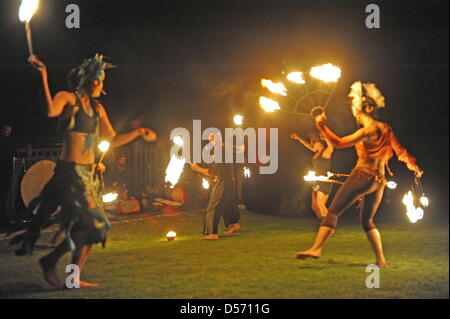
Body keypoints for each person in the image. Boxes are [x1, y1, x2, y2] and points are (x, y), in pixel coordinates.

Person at [10, 54, 157, 288]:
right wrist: (44, 77)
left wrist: (138, 134)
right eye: (101, 80)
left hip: (86, 176)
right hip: (69, 174)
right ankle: (52, 262)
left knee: (96, 227)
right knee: (91, 223)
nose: (103, 85)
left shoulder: (98, 109)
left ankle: (69, 275)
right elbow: (50, 111)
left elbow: (113, 137)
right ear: (92, 81)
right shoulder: (69, 99)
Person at [296, 81, 423, 268]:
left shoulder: (368, 130)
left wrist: (322, 126)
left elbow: (339, 143)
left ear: (369, 108)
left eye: (358, 108)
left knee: (333, 212)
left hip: (363, 176)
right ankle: (381, 260)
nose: (355, 111)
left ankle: (316, 249)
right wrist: (414, 166)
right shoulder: (386, 129)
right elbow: (401, 151)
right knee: (367, 220)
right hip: (379, 181)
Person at [189, 133, 240, 240]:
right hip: (229, 181)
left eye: (212, 140)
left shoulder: (220, 152)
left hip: (223, 182)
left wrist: (197, 168)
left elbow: (212, 172)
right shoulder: (223, 150)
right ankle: (235, 224)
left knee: (213, 206)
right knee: (228, 204)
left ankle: (212, 233)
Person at [290, 132, 334, 220]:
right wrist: (298, 138)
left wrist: (326, 138)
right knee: (314, 206)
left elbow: (331, 147)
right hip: (316, 181)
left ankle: (328, 223)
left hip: (324, 181)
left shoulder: (326, 153)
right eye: (313, 144)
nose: (313, 146)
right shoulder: (317, 152)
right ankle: (323, 222)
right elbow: (307, 145)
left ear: (321, 145)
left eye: (315, 144)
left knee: (320, 204)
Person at [0, 124, 15, 224]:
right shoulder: (6, 141)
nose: (9, 133)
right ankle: (4, 218)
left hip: (3, 171)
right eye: (8, 130)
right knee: (4, 195)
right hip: (5, 171)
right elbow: (12, 153)